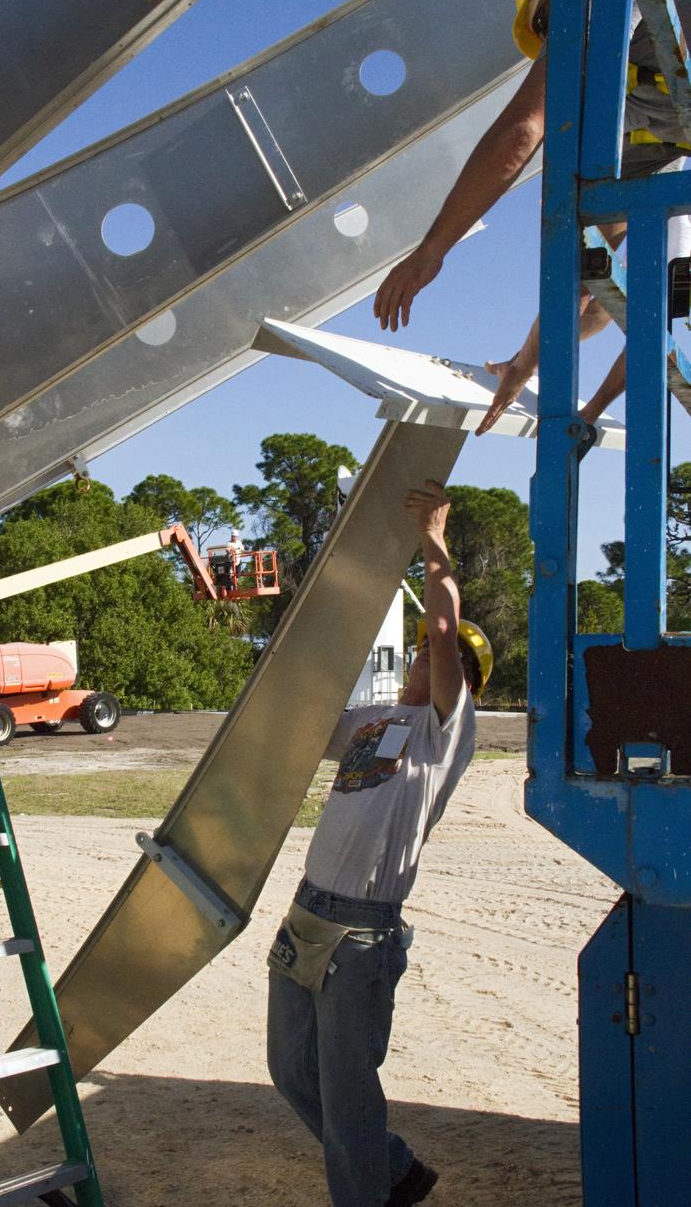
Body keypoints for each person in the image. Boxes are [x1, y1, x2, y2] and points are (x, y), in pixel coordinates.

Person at [267, 480, 493, 1207]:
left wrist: (432, 542)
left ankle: (368, 1191)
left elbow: (441, 627)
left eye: (444, 655)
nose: (429, 656)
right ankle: (394, 1169)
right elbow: (297, 713)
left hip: (362, 934)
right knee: (289, 1070)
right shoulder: (371, 718)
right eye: (429, 651)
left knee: (349, 1096)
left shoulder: (443, 731)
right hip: (307, 913)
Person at [373, 0, 691, 433]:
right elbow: (592, 288)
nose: (554, 43)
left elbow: (525, 127)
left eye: (547, 23)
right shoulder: (646, 106)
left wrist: (432, 249)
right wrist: (527, 362)